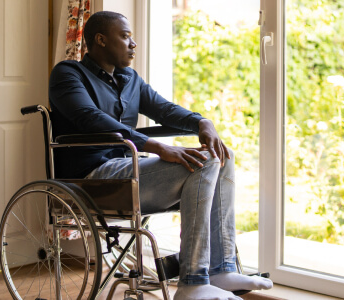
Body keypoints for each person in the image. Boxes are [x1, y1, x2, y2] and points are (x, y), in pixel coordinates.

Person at [48, 11, 273, 300]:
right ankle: (192, 281)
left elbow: (165, 110)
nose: (134, 44)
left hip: (130, 168)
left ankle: (220, 268)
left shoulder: (130, 79)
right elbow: (89, 117)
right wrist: (157, 147)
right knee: (204, 161)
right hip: (93, 176)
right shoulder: (67, 74)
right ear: (101, 40)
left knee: (222, 156)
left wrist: (202, 122)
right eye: (126, 36)